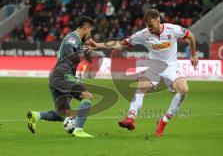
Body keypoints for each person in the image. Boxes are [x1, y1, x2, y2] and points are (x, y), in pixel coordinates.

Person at [88, 9, 198, 137]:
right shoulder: (143, 34)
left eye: (150, 25)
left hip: (172, 66)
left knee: (184, 90)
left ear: (158, 21)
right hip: (155, 67)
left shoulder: (173, 30)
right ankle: (130, 118)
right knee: (142, 86)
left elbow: (190, 36)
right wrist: (97, 45)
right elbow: (120, 43)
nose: (148, 28)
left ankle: (163, 122)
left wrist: (193, 55)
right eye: (146, 25)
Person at [27, 16, 95, 137]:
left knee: (63, 114)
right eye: (90, 31)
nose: (90, 34)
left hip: (55, 77)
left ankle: (36, 115)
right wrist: (83, 54)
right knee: (87, 97)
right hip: (63, 75)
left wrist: (85, 48)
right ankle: (78, 130)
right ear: (85, 28)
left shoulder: (77, 40)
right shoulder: (73, 38)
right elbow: (69, 50)